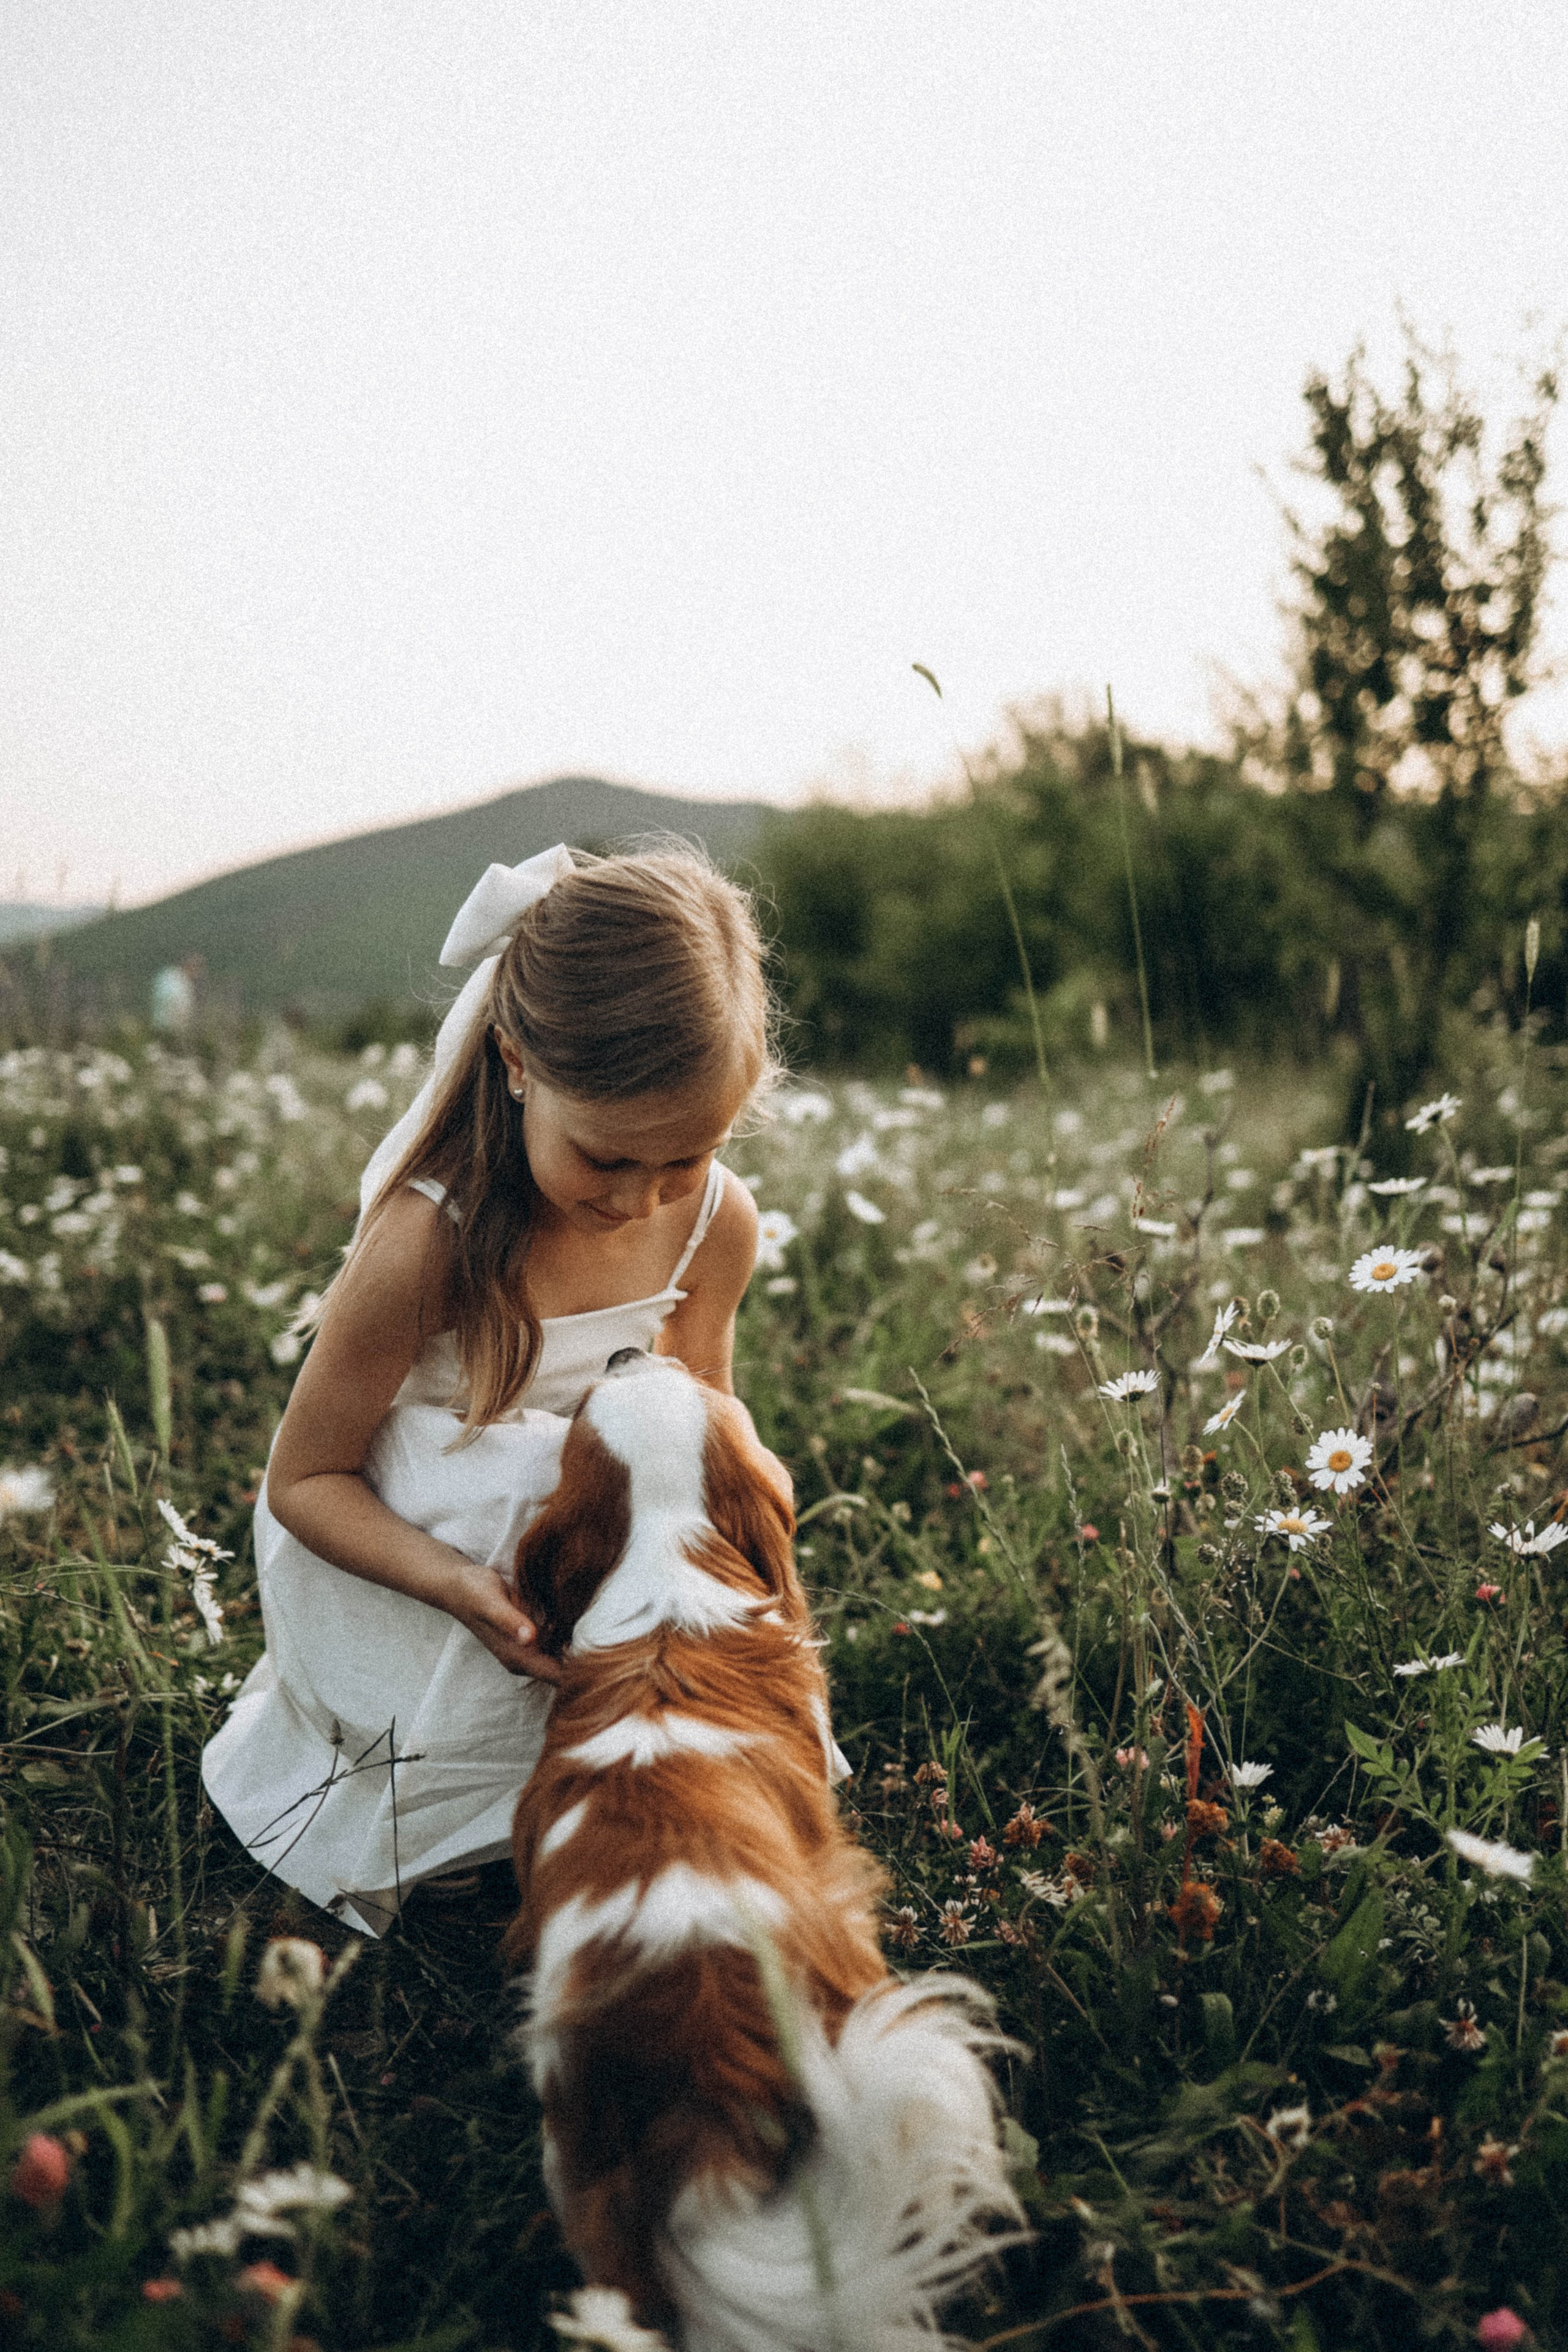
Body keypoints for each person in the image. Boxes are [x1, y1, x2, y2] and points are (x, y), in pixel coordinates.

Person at [202, 843, 778, 1935]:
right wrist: (461, 1589)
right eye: (607, 1159)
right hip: (417, 1562)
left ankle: (612, 1776)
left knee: (604, 1477)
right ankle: (460, 1812)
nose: (642, 1199)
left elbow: (702, 1426)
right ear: (516, 1063)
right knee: (520, 1481)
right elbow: (305, 1481)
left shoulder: (717, 1224)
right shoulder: (432, 1241)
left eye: (687, 1159)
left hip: (579, 1555)